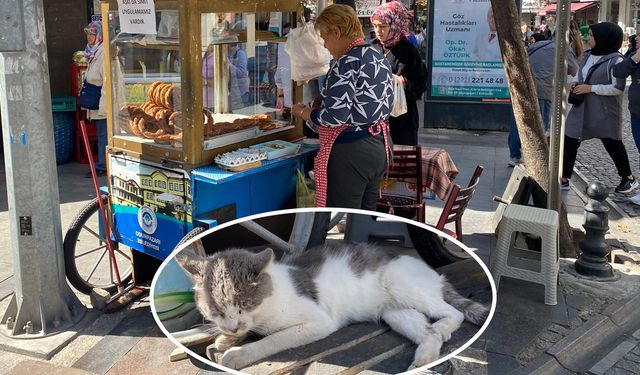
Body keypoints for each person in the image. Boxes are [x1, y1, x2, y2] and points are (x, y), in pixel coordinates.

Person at [291, 4, 393, 210]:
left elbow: (334, 116)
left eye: (325, 38)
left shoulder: (346, 62)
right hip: (379, 146)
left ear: (336, 32)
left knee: (343, 215)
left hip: (351, 152)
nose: (325, 45)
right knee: (364, 219)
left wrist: (302, 112)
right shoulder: (378, 57)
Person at [562, 22, 637, 193]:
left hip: (603, 111)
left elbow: (617, 88)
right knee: (570, 139)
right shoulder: (587, 55)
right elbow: (580, 74)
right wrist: (575, 84)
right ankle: (564, 178)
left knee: (612, 142)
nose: (588, 39)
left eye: (592, 36)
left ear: (604, 38)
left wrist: (591, 88)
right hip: (582, 108)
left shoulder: (616, 60)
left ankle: (628, 177)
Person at [371, 1, 428, 146]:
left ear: (394, 25)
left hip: (402, 120)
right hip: (375, 118)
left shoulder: (408, 50)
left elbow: (421, 85)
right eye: (375, 25)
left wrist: (403, 83)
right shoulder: (372, 48)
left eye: (383, 26)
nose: (378, 31)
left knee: (401, 163)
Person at [613, 48, 640, 204]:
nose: (636, 38)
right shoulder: (634, 54)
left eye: (639, 34)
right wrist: (635, 58)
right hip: (636, 112)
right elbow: (619, 71)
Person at [82, 21, 107, 177]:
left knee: (103, 135)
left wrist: (104, 107)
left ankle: (103, 166)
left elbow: (106, 81)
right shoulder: (91, 52)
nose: (89, 37)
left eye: (92, 34)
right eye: (88, 34)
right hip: (95, 101)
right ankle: (102, 164)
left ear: (99, 35)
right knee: (100, 134)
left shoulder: (102, 53)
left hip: (101, 102)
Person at [227, 43, 251, 110]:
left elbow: (242, 72)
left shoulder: (240, 54)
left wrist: (228, 65)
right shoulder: (225, 53)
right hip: (230, 92)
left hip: (240, 93)